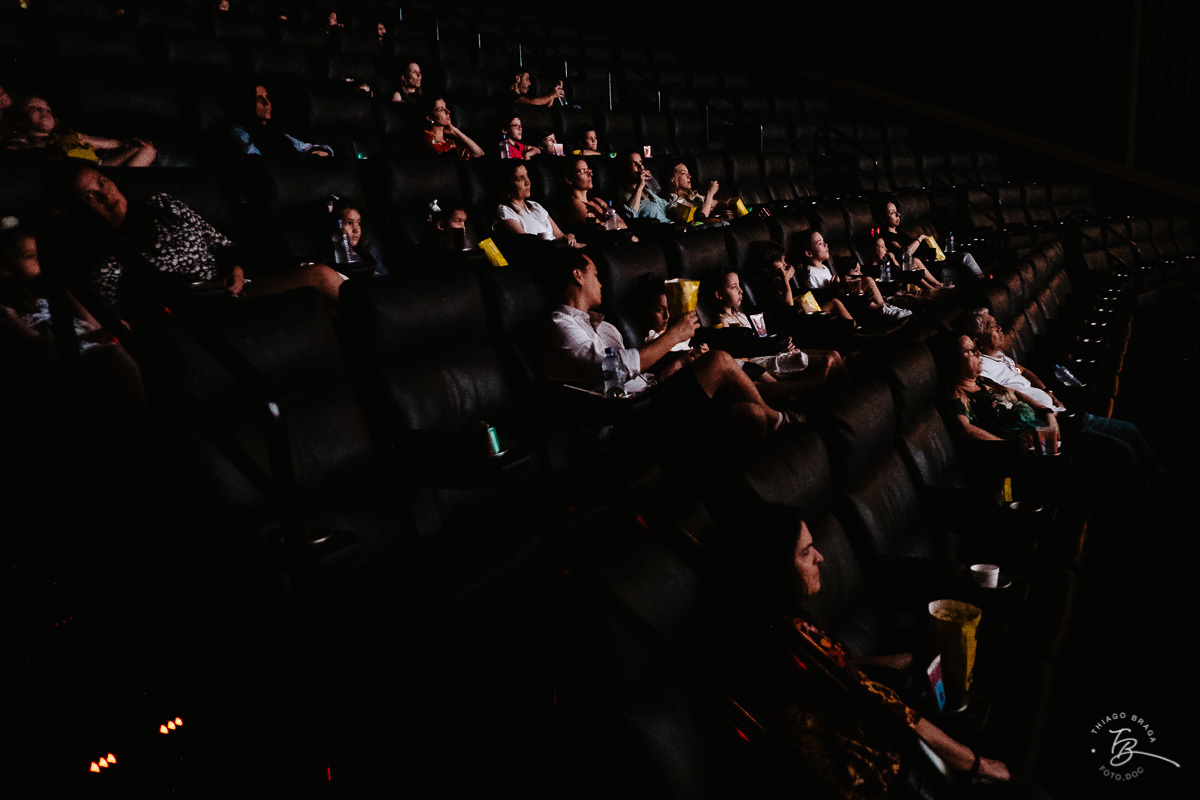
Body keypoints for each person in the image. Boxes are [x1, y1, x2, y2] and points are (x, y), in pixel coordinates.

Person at [734, 506, 1022, 798]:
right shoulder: (795, 639)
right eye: (806, 552)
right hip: (869, 778)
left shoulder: (768, 627)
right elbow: (892, 713)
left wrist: (904, 659)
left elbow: (842, 668)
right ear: (778, 568)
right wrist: (979, 764)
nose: (819, 557)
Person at [541, 251, 794, 444]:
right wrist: (674, 335)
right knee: (718, 361)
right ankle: (782, 420)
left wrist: (676, 365)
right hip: (628, 416)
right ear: (577, 276)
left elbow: (634, 372)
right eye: (595, 275)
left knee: (751, 415)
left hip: (654, 391)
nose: (602, 283)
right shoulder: (560, 325)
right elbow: (614, 369)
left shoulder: (606, 327)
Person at [69, 166, 344, 320]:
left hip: (239, 291)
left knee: (323, 289)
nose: (103, 195)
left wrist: (236, 268)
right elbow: (122, 317)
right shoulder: (108, 258)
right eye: (89, 197)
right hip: (203, 318)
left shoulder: (161, 203)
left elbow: (219, 241)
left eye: (102, 183)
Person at [959, 308, 1169, 493]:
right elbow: (990, 412)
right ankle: (1154, 502)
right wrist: (1043, 418)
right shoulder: (979, 369)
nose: (998, 327)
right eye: (991, 325)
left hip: (1056, 411)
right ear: (976, 341)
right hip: (1045, 427)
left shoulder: (998, 356)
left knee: (1130, 430)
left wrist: (1047, 391)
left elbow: (1022, 371)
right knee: (1123, 450)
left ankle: (1166, 487)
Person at [1, 222, 109, 354]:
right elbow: (37, 344)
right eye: (30, 256)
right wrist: (84, 338)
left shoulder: (55, 295)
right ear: (6, 268)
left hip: (94, 349)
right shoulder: (8, 312)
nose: (40, 261)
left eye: (41, 255)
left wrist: (65, 287)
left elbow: (93, 325)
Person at [940, 333, 1051, 447]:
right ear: (955, 361)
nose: (978, 353)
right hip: (1021, 447)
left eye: (976, 348)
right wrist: (1010, 447)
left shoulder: (982, 380)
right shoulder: (956, 392)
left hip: (1039, 429)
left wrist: (1046, 412)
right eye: (971, 350)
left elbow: (1014, 392)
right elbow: (965, 430)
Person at [2, 95, 157, 167]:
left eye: (47, 109)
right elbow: (12, 151)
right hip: (71, 173)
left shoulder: (67, 135)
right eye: (34, 108)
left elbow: (91, 141)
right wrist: (52, 143)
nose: (44, 111)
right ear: (19, 119)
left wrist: (126, 144)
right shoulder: (18, 138)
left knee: (146, 149)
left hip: (98, 164)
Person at [803, 231, 910, 323]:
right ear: (809, 253)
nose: (826, 244)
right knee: (858, 297)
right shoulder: (810, 274)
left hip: (840, 294)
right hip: (838, 302)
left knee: (867, 279)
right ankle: (882, 311)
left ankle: (885, 308)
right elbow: (817, 299)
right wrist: (836, 288)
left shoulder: (824, 267)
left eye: (824, 241)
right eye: (820, 243)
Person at [746, 240, 854, 325]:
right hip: (793, 323)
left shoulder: (778, 281)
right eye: (779, 260)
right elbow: (789, 308)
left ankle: (855, 329)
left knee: (835, 302)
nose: (785, 264)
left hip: (802, 313)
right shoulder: (764, 286)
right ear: (766, 266)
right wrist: (786, 281)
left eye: (784, 259)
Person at [878, 200, 982, 285]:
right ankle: (985, 285)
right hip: (930, 271)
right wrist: (920, 237)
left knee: (966, 256)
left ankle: (984, 281)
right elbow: (904, 252)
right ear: (883, 219)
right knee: (967, 274)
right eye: (892, 212)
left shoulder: (901, 233)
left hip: (935, 262)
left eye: (896, 211)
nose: (898, 214)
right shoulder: (887, 237)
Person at [229, 84, 333, 158]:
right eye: (260, 99)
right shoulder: (239, 131)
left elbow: (307, 147)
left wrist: (321, 151)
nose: (267, 103)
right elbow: (256, 159)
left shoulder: (274, 131)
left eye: (267, 97)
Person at [493, 161, 579, 246]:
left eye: (527, 176)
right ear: (506, 187)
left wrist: (569, 237)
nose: (528, 182)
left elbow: (560, 236)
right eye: (520, 179)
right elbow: (527, 244)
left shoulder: (535, 205)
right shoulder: (504, 211)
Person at [560, 157, 630, 235]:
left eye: (589, 170)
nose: (590, 174)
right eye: (583, 171)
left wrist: (606, 224)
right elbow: (600, 230)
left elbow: (624, 225)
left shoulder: (597, 200)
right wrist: (612, 224)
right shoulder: (574, 203)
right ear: (568, 179)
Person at [330, 198, 387, 276]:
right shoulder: (331, 258)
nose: (356, 230)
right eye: (349, 223)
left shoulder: (370, 253)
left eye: (358, 223)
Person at [869, 235, 942, 293]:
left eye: (885, 246)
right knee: (911, 273)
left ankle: (935, 286)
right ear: (873, 252)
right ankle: (931, 289)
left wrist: (893, 260)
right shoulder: (874, 268)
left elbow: (899, 271)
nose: (886, 249)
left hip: (902, 282)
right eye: (882, 247)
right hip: (896, 288)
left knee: (914, 262)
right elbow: (900, 273)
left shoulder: (886, 262)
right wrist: (893, 260)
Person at [614, 148, 670, 223]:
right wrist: (640, 186)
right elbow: (630, 216)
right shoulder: (622, 193)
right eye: (634, 164)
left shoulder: (647, 190)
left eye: (640, 162)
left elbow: (665, 205)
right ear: (624, 169)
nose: (641, 167)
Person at [664, 160, 722, 224]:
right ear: (673, 180)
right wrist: (710, 194)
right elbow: (699, 220)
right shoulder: (674, 204)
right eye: (683, 173)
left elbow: (718, 204)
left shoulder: (694, 196)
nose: (689, 176)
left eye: (688, 173)